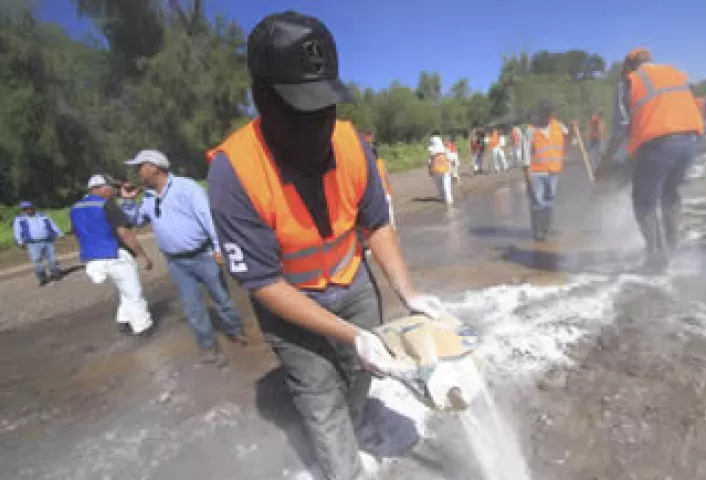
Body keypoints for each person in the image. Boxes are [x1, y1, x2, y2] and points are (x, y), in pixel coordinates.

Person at [205, 11, 447, 480]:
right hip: (290, 301)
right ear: (260, 99)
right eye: (299, 112)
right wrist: (351, 336)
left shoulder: (351, 144)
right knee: (318, 394)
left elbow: (376, 224)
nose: (316, 125)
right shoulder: (233, 172)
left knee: (363, 373)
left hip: (353, 284)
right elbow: (262, 282)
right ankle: (344, 469)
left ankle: (356, 422)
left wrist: (408, 294)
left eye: (325, 107)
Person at [120, 150, 246, 366]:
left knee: (222, 299)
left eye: (140, 167)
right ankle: (207, 347)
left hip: (204, 255)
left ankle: (236, 332)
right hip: (177, 262)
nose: (137, 173)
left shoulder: (187, 188)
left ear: (154, 168)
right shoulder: (148, 197)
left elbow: (208, 218)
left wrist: (219, 248)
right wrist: (129, 202)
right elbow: (138, 220)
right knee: (192, 307)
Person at [597, 47, 703, 274]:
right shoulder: (675, 73)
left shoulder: (629, 82)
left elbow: (622, 129)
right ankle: (672, 250)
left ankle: (656, 257)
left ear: (629, 65)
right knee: (670, 195)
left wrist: (606, 161)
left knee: (644, 201)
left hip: (658, 143)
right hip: (690, 141)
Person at [70, 174, 156, 335]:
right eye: (112, 187)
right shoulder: (106, 205)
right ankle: (143, 329)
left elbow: (78, 233)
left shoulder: (75, 208)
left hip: (92, 258)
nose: (115, 190)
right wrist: (142, 255)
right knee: (134, 294)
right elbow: (124, 233)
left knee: (124, 289)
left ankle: (123, 320)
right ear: (100, 188)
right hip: (115, 254)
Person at [524, 101, 569, 241]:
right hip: (537, 172)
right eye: (546, 114)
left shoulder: (558, 126)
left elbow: (569, 137)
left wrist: (573, 130)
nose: (548, 117)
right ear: (540, 113)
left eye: (550, 114)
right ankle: (538, 233)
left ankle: (545, 230)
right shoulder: (531, 129)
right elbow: (525, 153)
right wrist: (527, 174)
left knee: (549, 201)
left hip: (554, 171)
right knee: (538, 202)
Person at [13, 200, 63, 286]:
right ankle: (42, 278)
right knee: (37, 260)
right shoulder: (20, 219)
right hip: (33, 243)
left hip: (47, 240)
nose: (28, 210)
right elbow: (17, 231)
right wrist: (20, 241)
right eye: (25, 209)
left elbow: (52, 224)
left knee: (52, 258)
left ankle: (55, 273)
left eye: (29, 208)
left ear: (33, 207)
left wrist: (59, 233)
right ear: (23, 210)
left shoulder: (42, 215)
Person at [428, 136, 454, 205]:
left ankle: (443, 197)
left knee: (439, 185)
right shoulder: (445, 150)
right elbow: (451, 159)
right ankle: (449, 200)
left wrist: (430, 171)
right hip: (445, 170)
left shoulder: (431, 152)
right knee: (446, 185)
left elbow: (429, 162)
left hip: (436, 170)